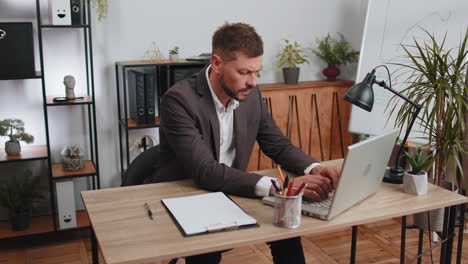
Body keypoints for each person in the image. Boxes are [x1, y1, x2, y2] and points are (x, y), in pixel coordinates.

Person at [152, 22, 340, 264]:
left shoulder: (251, 95)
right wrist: (282, 188)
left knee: (287, 226)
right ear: (217, 64)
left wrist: (314, 167)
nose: (253, 81)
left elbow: (277, 145)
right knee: (206, 251)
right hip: (186, 194)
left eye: (256, 72)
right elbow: (205, 171)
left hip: (231, 187)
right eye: (244, 73)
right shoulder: (178, 100)